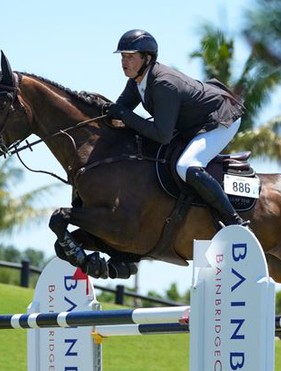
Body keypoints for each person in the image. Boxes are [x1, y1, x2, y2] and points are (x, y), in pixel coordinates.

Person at [105, 29, 246, 226]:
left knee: (186, 165)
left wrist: (124, 116)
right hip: (193, 122)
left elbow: (161, 135)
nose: (124, 62)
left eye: (130, 56)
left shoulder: (164, 84)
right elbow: (118, 111)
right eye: (122, 56)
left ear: (147, 58)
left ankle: (234, 222)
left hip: (219, 118)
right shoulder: (136, 82)